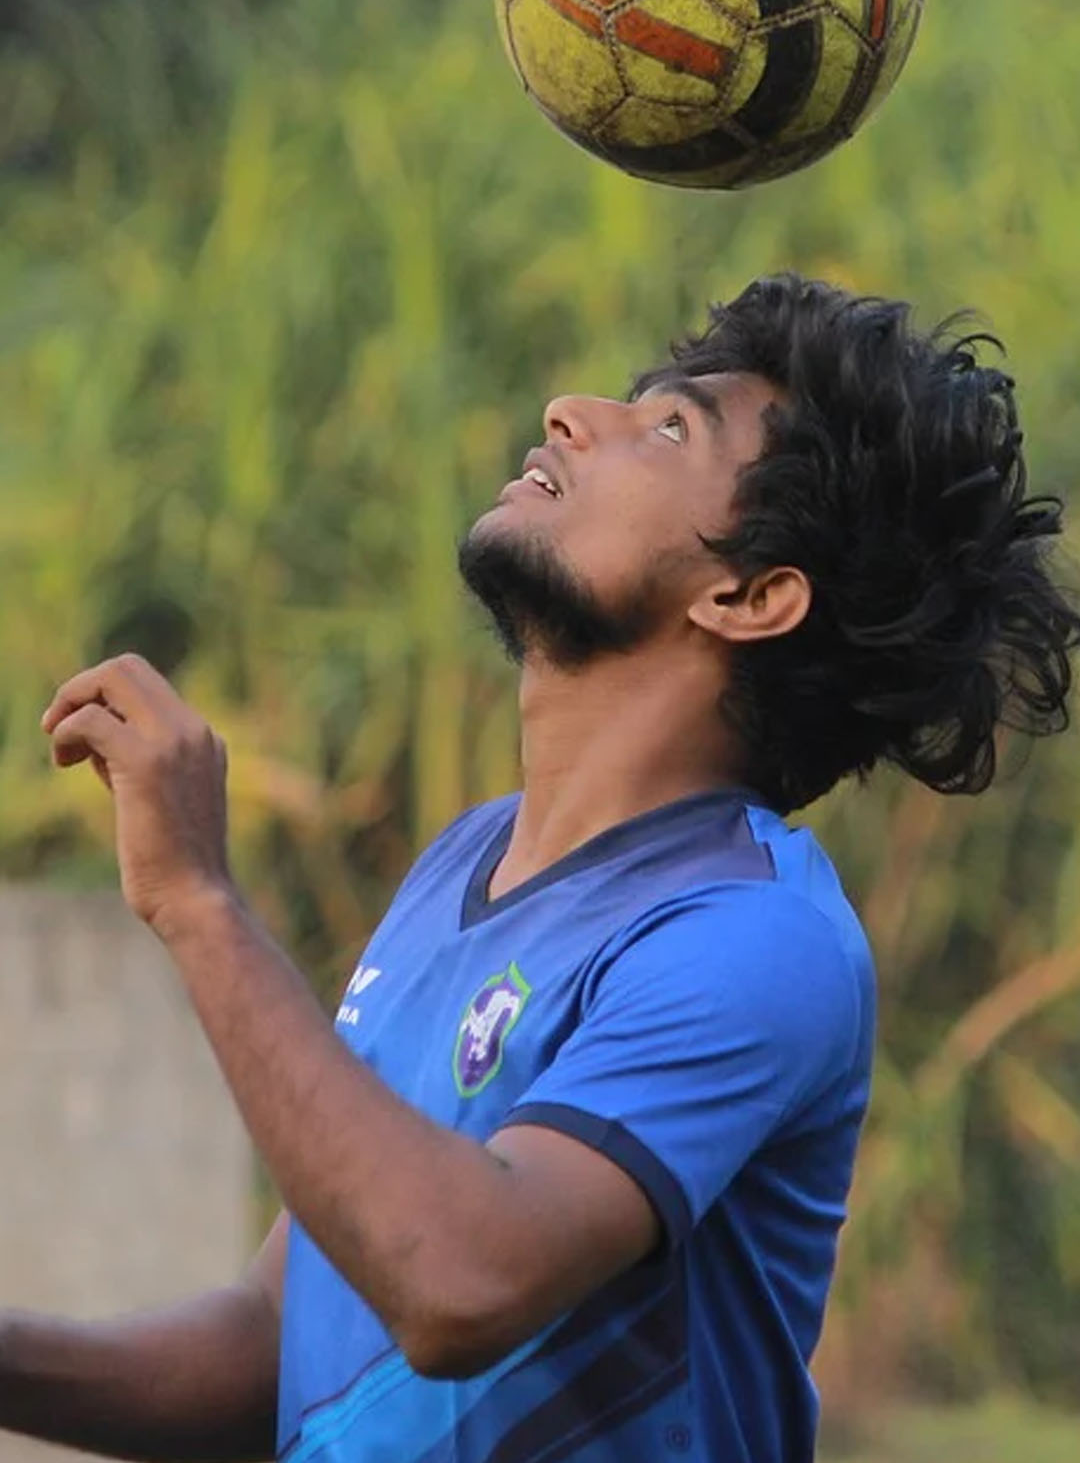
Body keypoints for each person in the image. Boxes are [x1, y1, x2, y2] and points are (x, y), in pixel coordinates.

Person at [2, 273, 1077, 1463]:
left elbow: (456, 1284)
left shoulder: (752, 935)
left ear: (750, 595)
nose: (573, 411)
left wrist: (199, 902)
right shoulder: (463, 864)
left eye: (672, 428)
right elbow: (274, 1342)